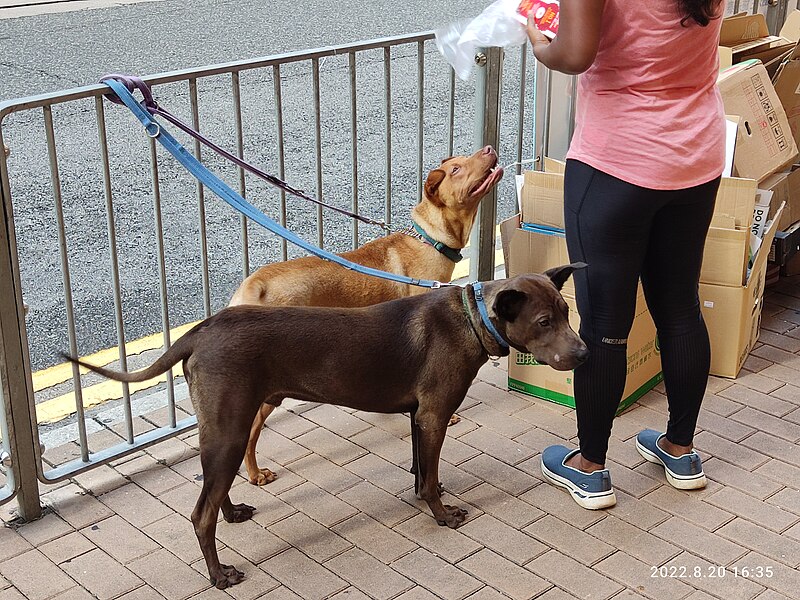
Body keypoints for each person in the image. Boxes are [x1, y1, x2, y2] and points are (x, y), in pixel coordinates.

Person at [528, 0, 725, 509]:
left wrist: (536, 41)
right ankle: (680, 451)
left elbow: (573, 54)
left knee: (605, 324)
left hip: (618, 159)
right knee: (680, 306)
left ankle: (590, 467)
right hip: (696, 155)